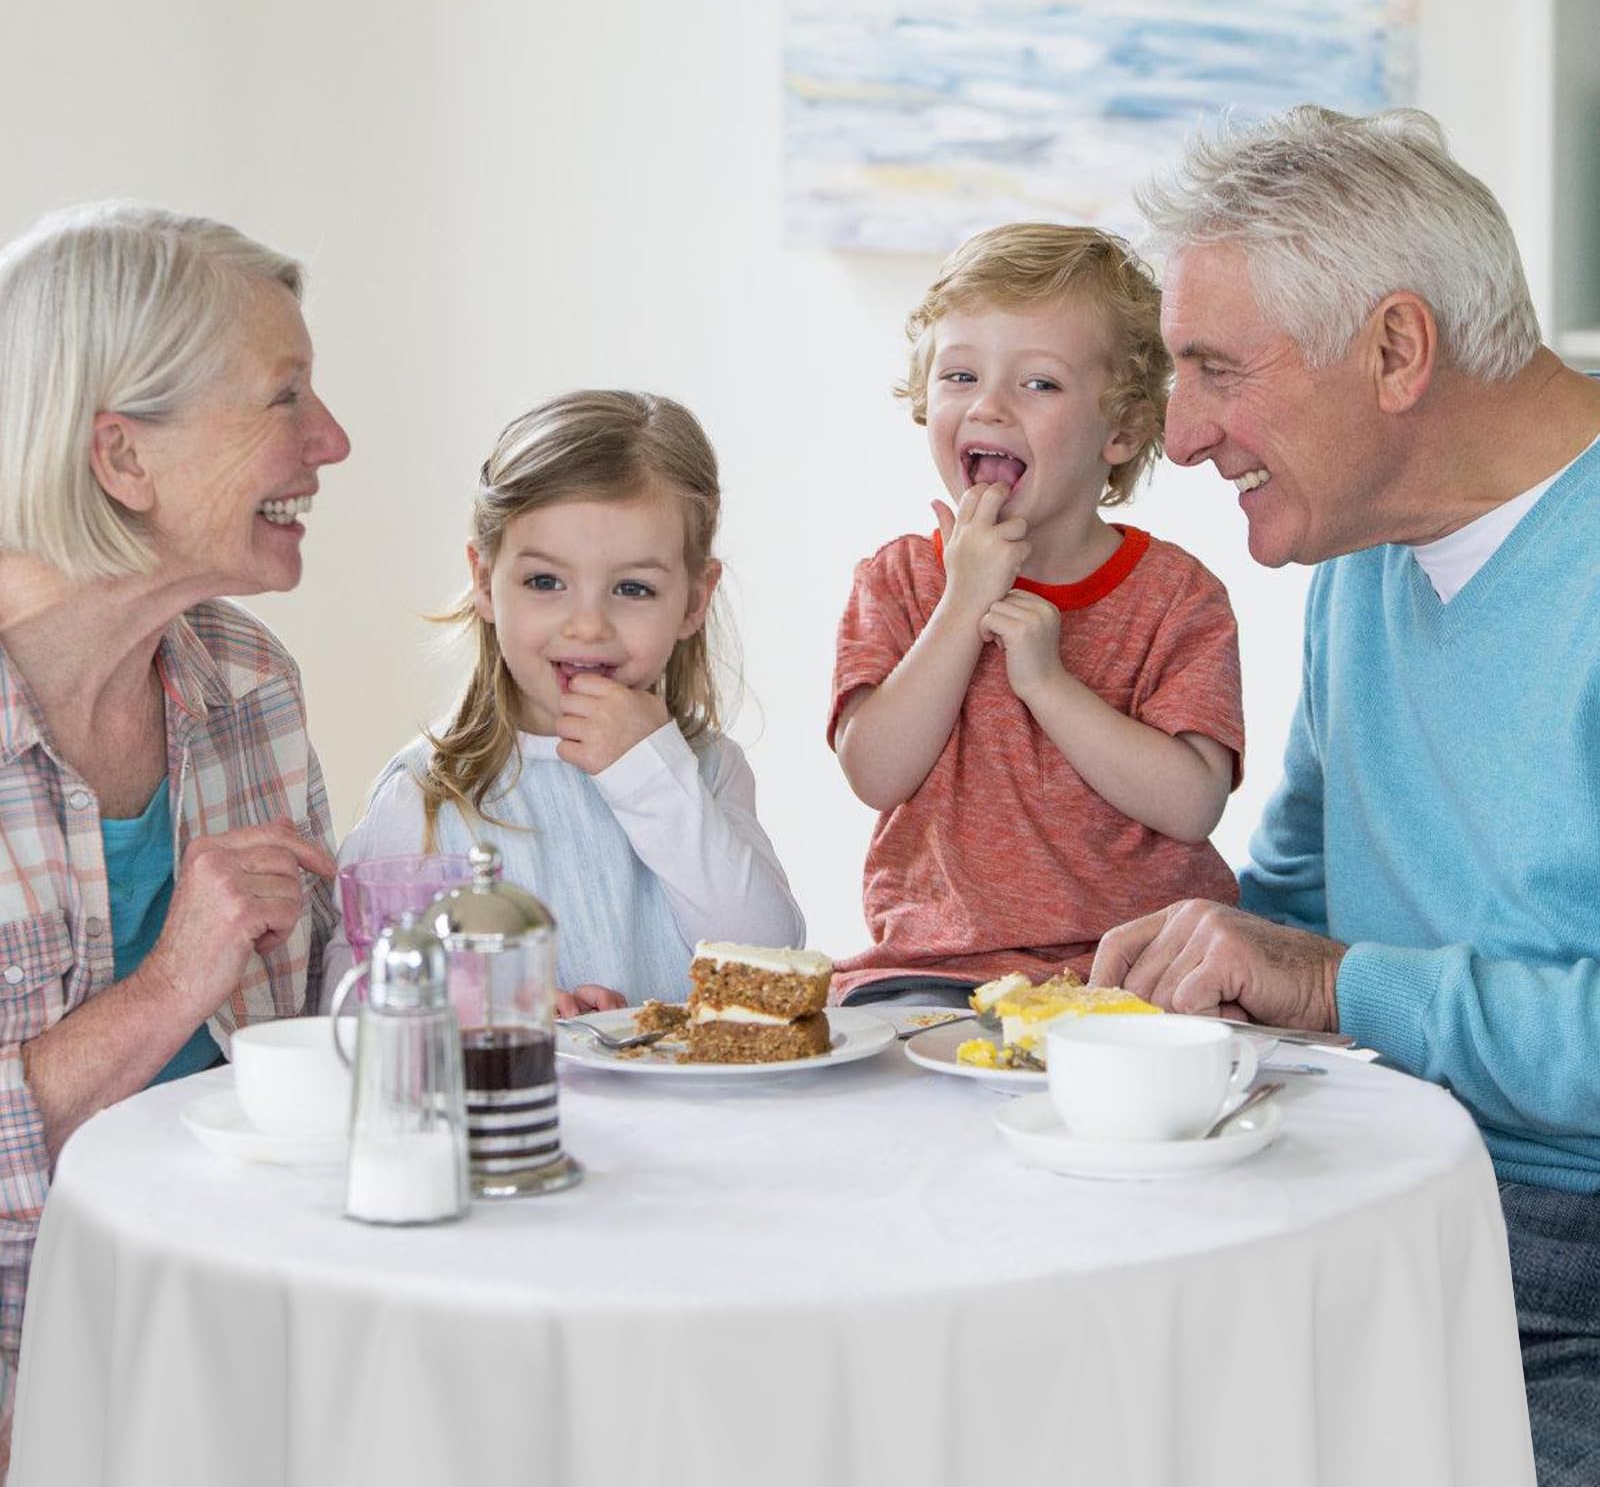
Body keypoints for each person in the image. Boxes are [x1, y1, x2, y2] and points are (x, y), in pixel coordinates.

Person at [1090, 105, 1600, 1485]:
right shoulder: (1366, 560)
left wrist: (1333, 988)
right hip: (1385, 1194)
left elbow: (1320, 969)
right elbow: (1292, 908)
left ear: (1395, 350)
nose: (1180, 435)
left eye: (1213, 371)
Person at [0, 203, 348, 1458]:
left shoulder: (248, 679)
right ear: (122, 458)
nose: (333, 441)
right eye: (283, 397)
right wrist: (168, 984)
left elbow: (320, 1034)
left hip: (240, 1330)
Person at [828, 223, 1245, 1007]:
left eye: (1039, 384)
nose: (988, 405)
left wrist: (1049, 682)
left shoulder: (1178, 599)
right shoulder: (898, 582)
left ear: (1119, 430)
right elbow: (875, 771)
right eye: (959, 376)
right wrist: (962, 605)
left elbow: (1193, 805)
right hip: (939, 967)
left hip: (1141, 970)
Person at [330, 389, 804, 1010]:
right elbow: (348, 998)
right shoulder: (426, 794)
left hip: (685, 1106)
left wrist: (651, 775)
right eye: (545, 582)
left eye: (632, 588)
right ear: (484, 581)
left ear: (693, 600)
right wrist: (485, 1005)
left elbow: (773, 959)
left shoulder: (703, 771)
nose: (587, 625)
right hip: (501, 1103)